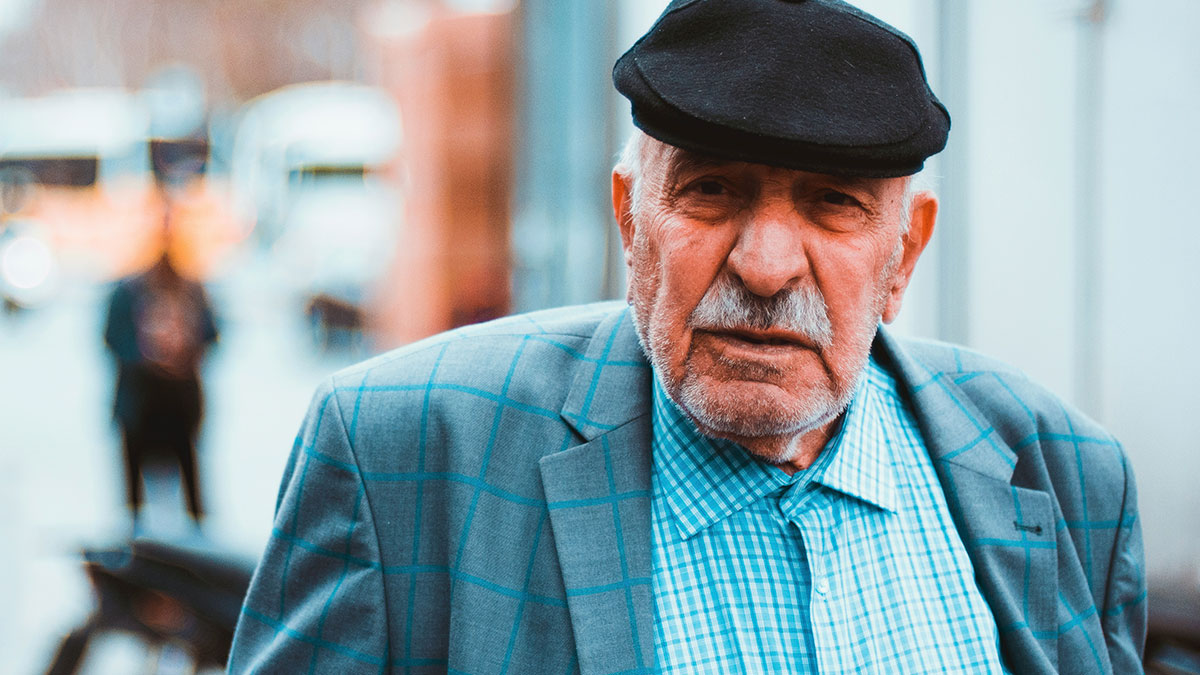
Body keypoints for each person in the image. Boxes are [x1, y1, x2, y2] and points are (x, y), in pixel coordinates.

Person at [229, 1, 1146, 673]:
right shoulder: (399, 456)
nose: (766, 266)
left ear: (903, 256)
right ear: (631, 220)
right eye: (711, 189)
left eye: (833, 203)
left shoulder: (1065, 475)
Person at [104, 205, 218, 530]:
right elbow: (113, 338)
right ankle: (139, 540)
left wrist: (184, 349)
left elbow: (211, 335)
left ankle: (194, 541)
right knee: (134, 500)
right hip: (141, 404)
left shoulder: (192, 289)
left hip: (179, 406)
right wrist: (148, 354)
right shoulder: (128, 291)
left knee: (190, 489)